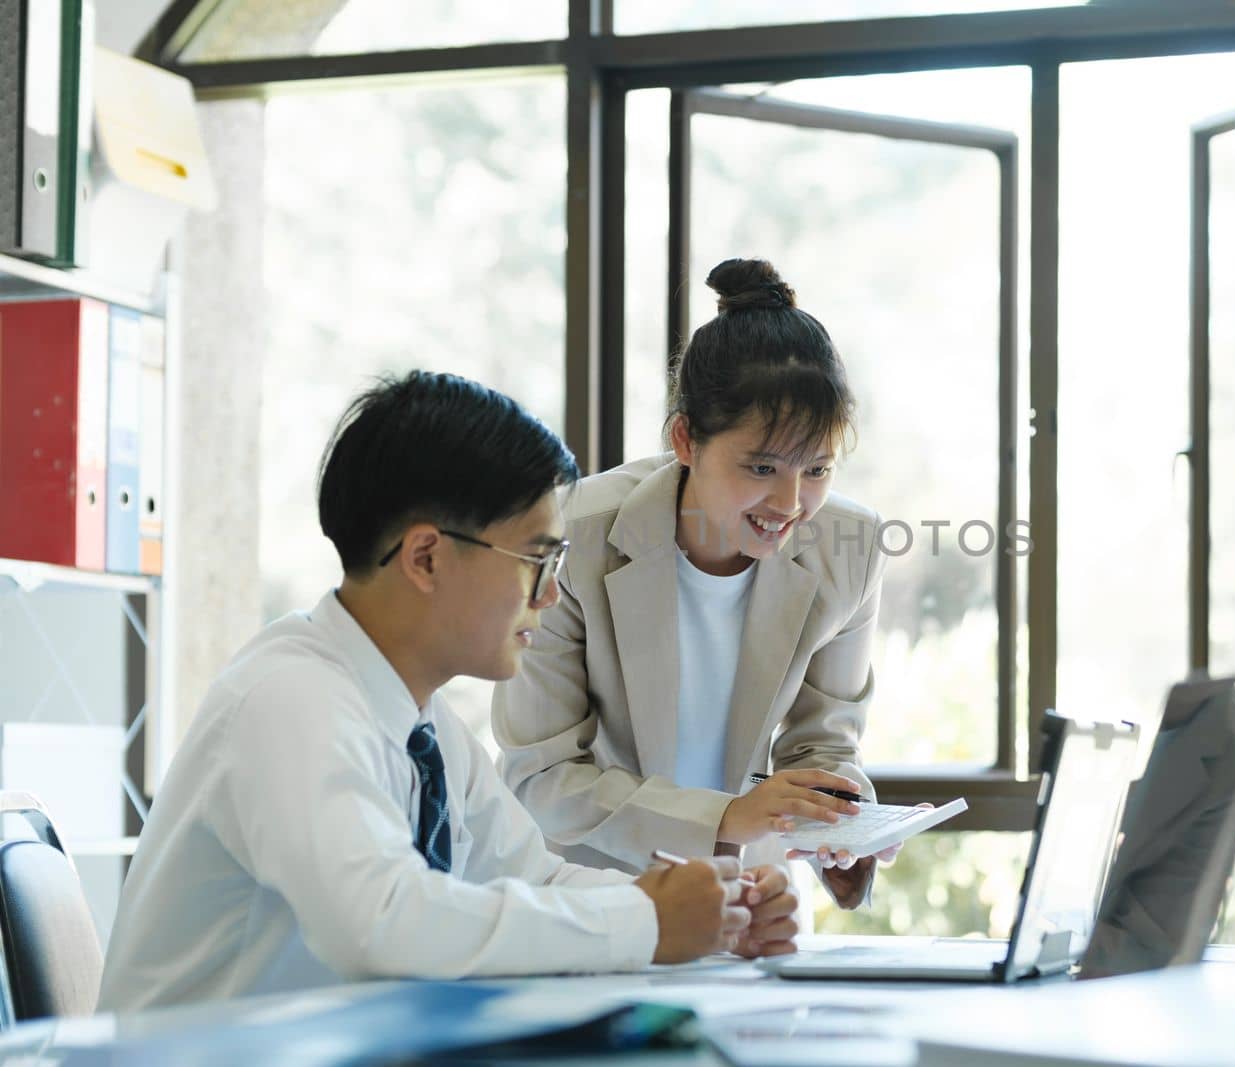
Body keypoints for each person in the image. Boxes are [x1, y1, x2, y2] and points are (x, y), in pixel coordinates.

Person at [98, 371, 798, 1013]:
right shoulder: (291, 701)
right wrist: (645, 922)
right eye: (537, 558)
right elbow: (385, 922)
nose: (553, 594)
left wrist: (714, 910)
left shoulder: (422, 726)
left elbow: (536, 879)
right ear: (426, 556)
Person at [493, 258, 894, 912]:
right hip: (590, 898)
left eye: (817, 468)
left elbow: (823, 742)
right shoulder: (574, 536)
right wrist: (727, 816)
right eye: (761, 465)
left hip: (751, 905)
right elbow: (542, 777)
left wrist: (845, 827)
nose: (791, 502)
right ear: (686, 438)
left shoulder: (849, 547)